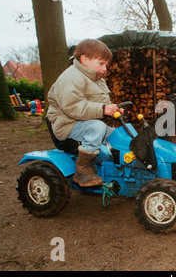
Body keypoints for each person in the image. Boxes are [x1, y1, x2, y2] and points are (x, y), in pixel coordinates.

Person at [47, 39, 123, 187]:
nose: (105, 68)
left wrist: (112, 109)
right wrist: (102, 110)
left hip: (85, 122)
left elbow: (100, 103)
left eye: (106, 64)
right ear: (84, 59)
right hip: (68, 125)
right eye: (101, 63)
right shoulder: (70, 78)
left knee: (117, 135)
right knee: (97, 128)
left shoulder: (95, 79)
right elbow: (73, 107)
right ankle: (83, 169)